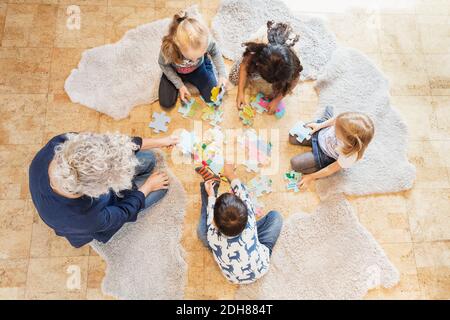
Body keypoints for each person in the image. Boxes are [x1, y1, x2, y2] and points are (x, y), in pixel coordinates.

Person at [29, 132, 178, 248]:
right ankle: (143, 187)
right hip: (103, 213)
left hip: (92, 195)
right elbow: (124, 212)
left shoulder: (61, 143)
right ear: (98, 190)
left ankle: (136, 182)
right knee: (160, 189)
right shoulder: (84, 218)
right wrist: (148, 187)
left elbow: (114, 145)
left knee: (149, 158)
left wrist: (163, 141)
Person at [197, 164, 283, 284]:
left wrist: (211, 196)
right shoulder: (250, 219)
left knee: (201, 232)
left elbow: (210, 213)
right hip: (261, 267)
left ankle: (210, 185)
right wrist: (230, 174)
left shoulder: (212, 236)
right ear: (246, 212)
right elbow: (243, 192)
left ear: (215, 224)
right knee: (276, 217)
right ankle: (252, 242)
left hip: (232, 278)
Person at [289, 107, 375, 189]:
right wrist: (319, 125)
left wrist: (311, 177)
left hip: (324, 155)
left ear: (347, 141)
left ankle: (326, 116)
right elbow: (335, 120)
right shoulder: (344, 120)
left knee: (295, 164)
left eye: (336, 130)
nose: (334, 128)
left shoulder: (349, 156)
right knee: (292, 137)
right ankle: (326, 117)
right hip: (320, 133)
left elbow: (329, 169)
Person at [158, 9, 227, 109]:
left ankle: (206, 64)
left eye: (199, 56)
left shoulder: (205, 40)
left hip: (198, 70)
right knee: (166, 103)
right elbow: (163, 64)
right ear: (179, 46)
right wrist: (180, 85)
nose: (194, 60)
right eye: (191, 57)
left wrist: (222, 74)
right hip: (175, 70)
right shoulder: (169, 49)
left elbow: (215, 52)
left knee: (213, 97)